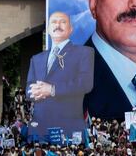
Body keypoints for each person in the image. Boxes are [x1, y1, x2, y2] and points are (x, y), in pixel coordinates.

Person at [26, 11, 94, 139]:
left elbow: (85, 84)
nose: (58, 24)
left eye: (63, 22)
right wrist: (35, 92)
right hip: (40, 129)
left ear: (70, 29)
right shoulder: (36, 59)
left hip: (69, 128)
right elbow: (28, 89)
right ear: (48, 30)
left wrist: (52, 90)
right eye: (53, 22)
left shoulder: (84, 52)